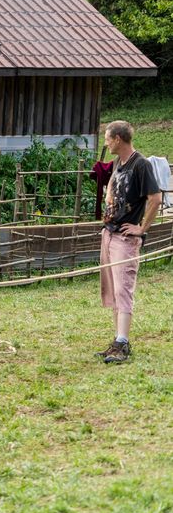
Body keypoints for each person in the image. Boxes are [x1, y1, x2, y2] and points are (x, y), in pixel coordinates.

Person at [98, 120, 161, 363]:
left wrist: (142, 228)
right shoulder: (118, 163)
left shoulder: (140, 164)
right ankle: (117, 340)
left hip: (126, 238)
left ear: (118, 139)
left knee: (123, 288)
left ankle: (122, 344)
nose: (106, 142)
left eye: (107, 138)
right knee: (113, 290)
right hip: (110, 232)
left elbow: (155, 198)